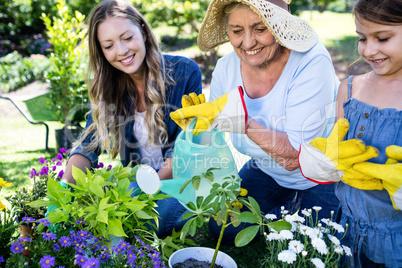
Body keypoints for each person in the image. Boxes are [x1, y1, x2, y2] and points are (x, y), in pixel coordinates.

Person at [170, 0, 340, 243]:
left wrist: (244, 123)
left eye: (260, 29)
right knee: (223, 229)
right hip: (266, 167)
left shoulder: (311, 61)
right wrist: (199, 130)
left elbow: (295, 157)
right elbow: (213, 140)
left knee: (311, 242)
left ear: (280, 26)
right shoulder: (226, 69)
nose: (248, 43)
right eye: (237, 31)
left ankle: (293, 214)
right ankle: (283, 213)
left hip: (322, 173)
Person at [57, 0, 202, 237]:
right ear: (101, 51)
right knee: (90, 215)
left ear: (143, 31)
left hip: (179, 182)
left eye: (127, 37)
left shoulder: (185, 72)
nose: (121, 51)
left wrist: (139, 195)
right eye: (109, 45)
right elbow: (87, 145)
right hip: (137, 184)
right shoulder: (107, 87)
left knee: (158, 217)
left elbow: (184, 148)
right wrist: (64, 190)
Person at [298, 0, 402, 266]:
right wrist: (321, 161)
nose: (369, 49)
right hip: (347, 229)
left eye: (383, 38)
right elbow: (335, 149)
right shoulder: (350, 89)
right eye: (362, 38)